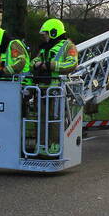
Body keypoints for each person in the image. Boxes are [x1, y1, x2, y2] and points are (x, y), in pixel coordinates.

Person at [30, 18, 79, 156]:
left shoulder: (69, 46)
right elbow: (34, 60)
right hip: (42, 89)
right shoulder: (45, 48)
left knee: (55, 118)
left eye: (45, 34)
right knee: (41, 118)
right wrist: (37, 64)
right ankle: (41, 146)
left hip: (57, 90)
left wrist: (51, 65)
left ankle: (55, 146)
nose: (43, 37)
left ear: (53, 32)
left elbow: (71, 64)